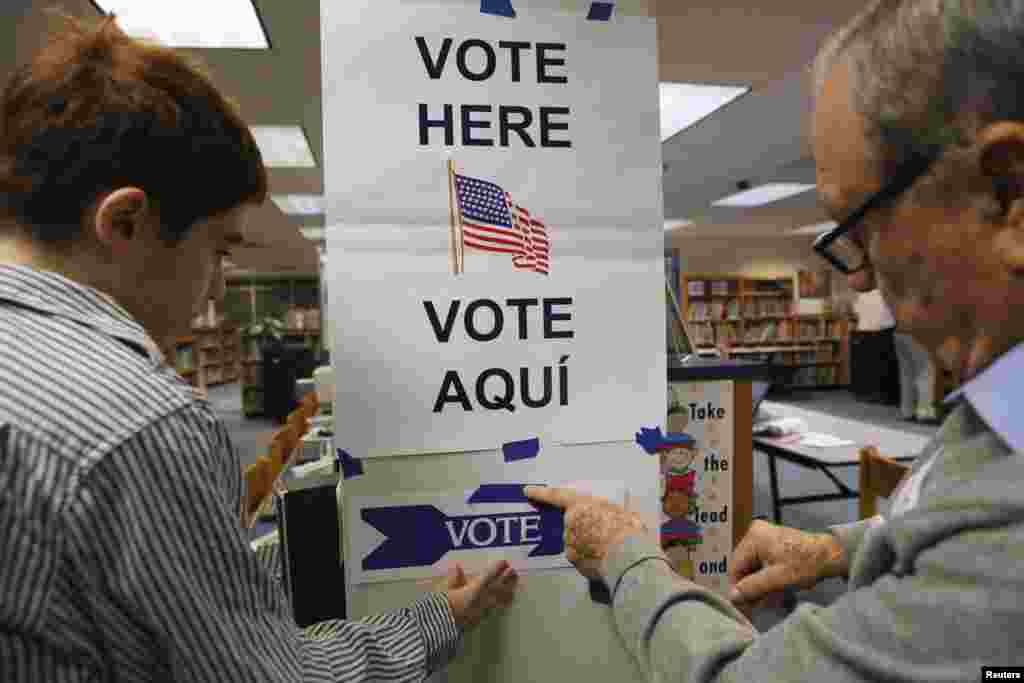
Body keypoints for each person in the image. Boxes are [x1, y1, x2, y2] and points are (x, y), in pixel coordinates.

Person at [0, 14, 517, 682]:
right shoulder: (135, 425)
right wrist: (434, 620)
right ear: (124, 221)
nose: (215, 284)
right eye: (217, 249)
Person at [528, 0, 1024, 678]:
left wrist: (626, 555)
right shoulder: (1000, 398)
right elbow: (951, 510)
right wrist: (838, 550)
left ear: (1008, 190)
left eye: (863, 227)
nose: (864, 281)